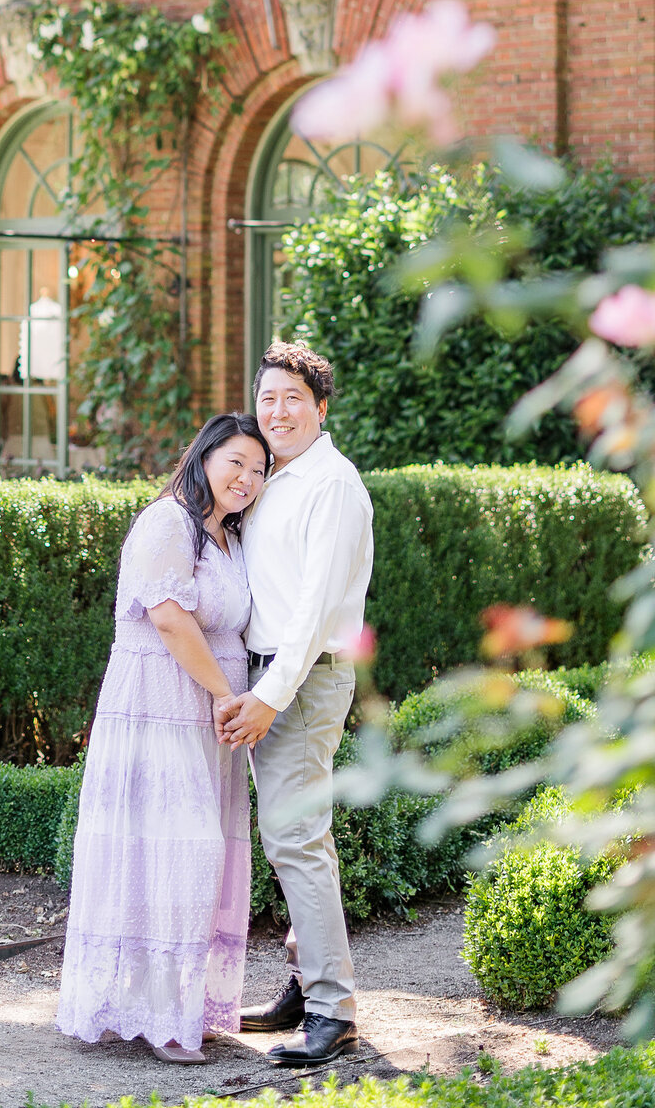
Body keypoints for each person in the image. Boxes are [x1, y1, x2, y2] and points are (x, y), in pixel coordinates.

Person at [57, 412, 270, 1064]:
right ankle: (157, 1016)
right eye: (236, 461)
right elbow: (171, 620)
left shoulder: (227, 537)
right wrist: (223, 695)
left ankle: (182, 1007)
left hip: (208, 721)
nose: (247, 479)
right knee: (176, 856)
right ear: (204, 455)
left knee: (203, 858)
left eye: (259, 471)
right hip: (162, 707)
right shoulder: (167, 522)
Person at [217, 340, 374, 1069]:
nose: (275, 410)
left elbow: (312, 613)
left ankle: (332, 1010)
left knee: (299, 841)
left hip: (301, 681)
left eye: (291, 398)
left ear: (320, 406)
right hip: (268, 674)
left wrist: (271, 697)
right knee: (290, 840)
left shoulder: (332, 484)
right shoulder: (277, 475)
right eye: (267, 397)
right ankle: (302, 985)